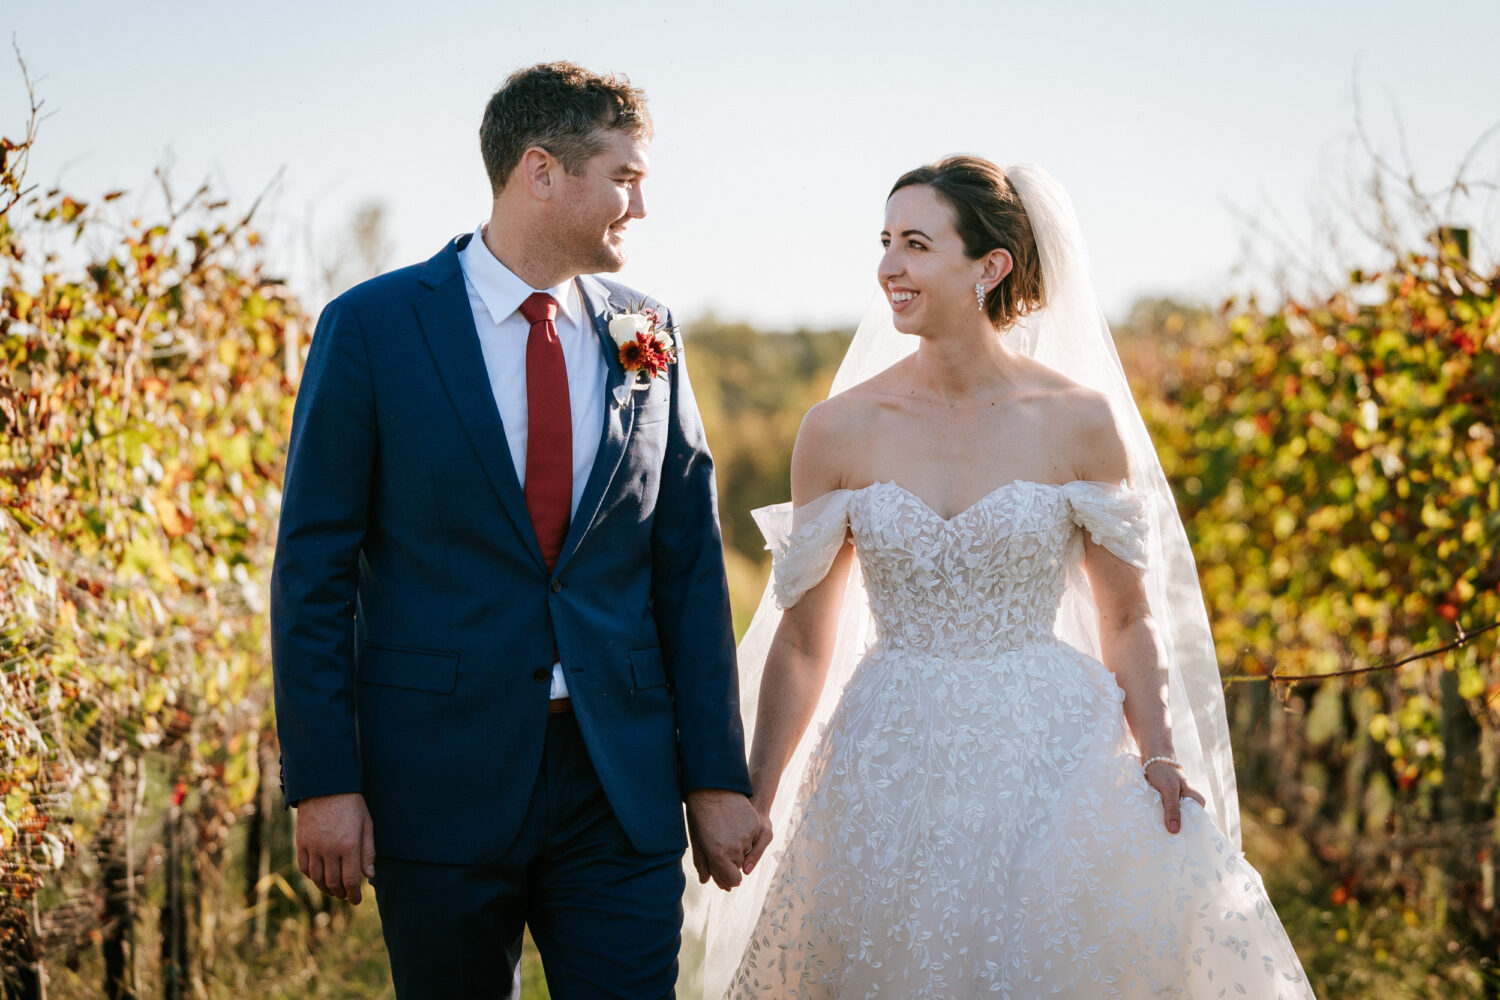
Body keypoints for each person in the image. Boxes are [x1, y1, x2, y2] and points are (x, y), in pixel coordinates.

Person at [692, 158, 1315, 998]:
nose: (889, 267)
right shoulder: (837, 430)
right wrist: (756, 797)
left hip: (1050, 757)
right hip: (887, 760)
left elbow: (1128, 619)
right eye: (885, 242)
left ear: (990, 268)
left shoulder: (1078, 421)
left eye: (916, 243)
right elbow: (804, 641)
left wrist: (1160, 753)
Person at [270, 62, 767, 999]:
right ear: (541, 172)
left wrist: (715, 774)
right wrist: (324, 782)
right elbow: (314, 571)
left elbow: (689, 569)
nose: (642, 206)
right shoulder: (372, 328)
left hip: (618, 782)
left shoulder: (646, 331)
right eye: (626, 177)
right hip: (435, 780)